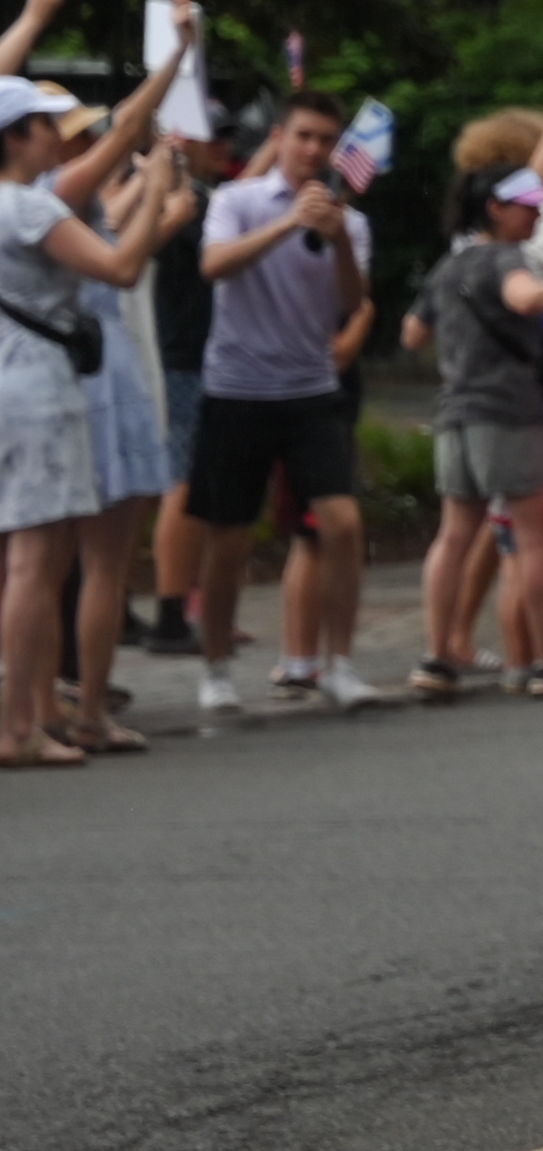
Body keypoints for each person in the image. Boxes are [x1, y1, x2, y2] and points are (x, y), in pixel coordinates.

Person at [1, 63, 190, 769]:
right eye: (45, 123)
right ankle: (19, 726)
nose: (56, 135)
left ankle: (29, 714)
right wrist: (154, 203)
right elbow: (117, 269)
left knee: (28, 563)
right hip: (40, 393)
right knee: (33, 563)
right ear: (17, 136)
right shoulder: (32, 208)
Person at [187, 87, 386, 717]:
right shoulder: (235, 200)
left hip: (311, 390)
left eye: (326, 141)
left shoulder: (348, 220)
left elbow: (351, 303)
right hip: (237, 390)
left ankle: (342, 663)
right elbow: (214, 265)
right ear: (279, 138)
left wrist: (339, 240)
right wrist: (287, 224)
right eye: (303, 136)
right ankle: (216, 667)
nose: (313, 150)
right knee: (229, 538)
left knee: (343, 524)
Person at [416, 164, 543, 699]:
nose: (537, 214)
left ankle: (436, 657)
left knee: (453, 535)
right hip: (509, 411)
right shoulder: (507, 259)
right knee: (531, 540)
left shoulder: (448, 267)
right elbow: (526, 298)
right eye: (527, 206)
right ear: (496, 209)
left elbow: (414, 332)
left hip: (453, 412)